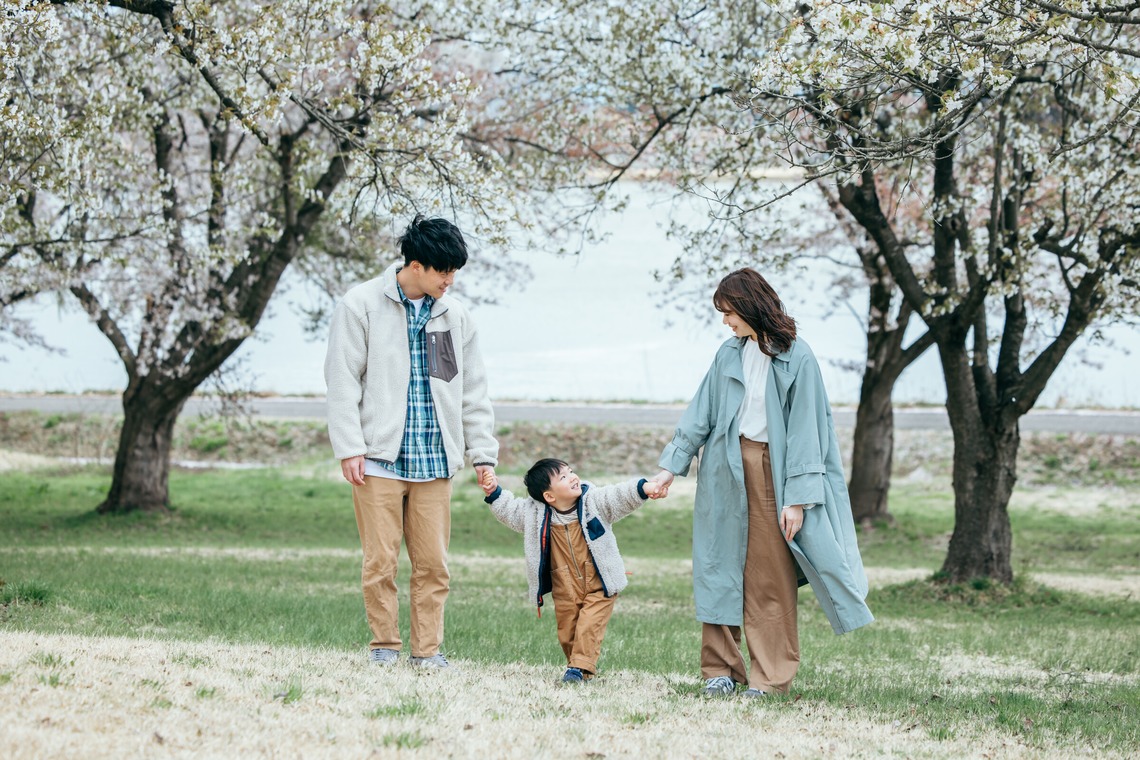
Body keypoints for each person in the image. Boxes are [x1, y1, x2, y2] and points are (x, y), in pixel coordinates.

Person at [649, 267, 873, 698]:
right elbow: (701, 414)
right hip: (722, 467)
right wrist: (668, 469)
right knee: (718, 567)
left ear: (751, 306)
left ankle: (770, 679)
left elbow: (809, 430)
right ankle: (720, 670)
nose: (725, 321)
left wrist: (798, 499)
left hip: (774, 471)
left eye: (729, 312)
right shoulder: (728, 353)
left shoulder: (797, 357)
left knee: (769, 577)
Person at [324, 215, 498, 670]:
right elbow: (342, 381)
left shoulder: (455, 316)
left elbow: (472, 390)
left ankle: (428, 652)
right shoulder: (360, 304)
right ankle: (384, 645)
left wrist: (482, 454)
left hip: (435, 461)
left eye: (455, 271)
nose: (450, 280)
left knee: (433, 566)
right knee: (380, 562)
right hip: (378, 459)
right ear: (416, 264)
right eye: (443, 271)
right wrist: (349, 447)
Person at [479, 459, 663, 683]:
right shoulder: (534, 515)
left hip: (600, 582)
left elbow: (618, 495)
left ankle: (578, 668)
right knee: (568, 632)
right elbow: (510, 510)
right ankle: (577, 671)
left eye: (571, 471)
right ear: (549, 496)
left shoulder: (592, 502)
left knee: (588, 624)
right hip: (563, 585)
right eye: (563, 477)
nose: (574, 477)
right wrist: (494, 492)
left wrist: (644, 488)